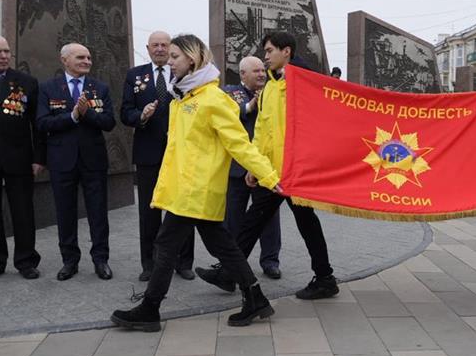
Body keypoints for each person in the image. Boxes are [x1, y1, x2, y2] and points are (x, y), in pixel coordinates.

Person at [111, 34, 281, 332]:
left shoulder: (213, 99)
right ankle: (255, 297)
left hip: (196, 189)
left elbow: (239, 144)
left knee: (166, 243)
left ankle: (150, 308)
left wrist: (268, 175)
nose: (170, 61)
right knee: (222, 245)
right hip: (186, 188)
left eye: (175, 56)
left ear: (191, 59)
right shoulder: (184, 98)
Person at [196, 31, 339, 300]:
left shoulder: (303, 81)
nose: (266, 57)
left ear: (287, 52)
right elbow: (262, 130)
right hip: (273, 172)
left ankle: (324, 278)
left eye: (270, 50)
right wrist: (255, 166)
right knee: (256, 222)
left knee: (302, 223)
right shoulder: (271, 86)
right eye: (265, 52)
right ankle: (231, 273)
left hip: (294, 172)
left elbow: (317, 120)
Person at [120, 31, 196, 281]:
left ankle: (184, 262)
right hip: (148, 153)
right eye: (156, 45)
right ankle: (149, 264)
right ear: (148, 48)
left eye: (165, 45)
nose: (161, 49)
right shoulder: (135, 75)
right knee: (149, 211)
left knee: (183, 208)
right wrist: (141, 116)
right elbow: (125, 112)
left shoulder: (184, 72)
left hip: (181, 152)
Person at [37, 43, 116, 280]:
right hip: (62, 161)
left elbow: (109, 122)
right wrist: (72, 116)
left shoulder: (99, 87)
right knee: (65, 212)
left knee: (98, 213)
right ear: (65, 60)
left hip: (93, 160)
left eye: (89, 57)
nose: (87, 61)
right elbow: (42, 123)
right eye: (81, 57)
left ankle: (101, 260)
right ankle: (69, 261)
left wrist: (87, 113)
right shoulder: (48, 88)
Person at [0, 34, 44, 281]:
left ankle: (26, 260)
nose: (4, 56)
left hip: (19, 158)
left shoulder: (26, 82)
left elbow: (37, 125)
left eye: (6, 51)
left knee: (23, 211)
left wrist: (39, 158)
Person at [223, 56, 282, 279]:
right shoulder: (229, 92)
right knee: (233, 219)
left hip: (264, 167)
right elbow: (226, 115)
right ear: (242, 74)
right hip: (237, 168)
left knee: (269, 217)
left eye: (262, 70)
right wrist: (250, 106)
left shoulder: (272, 92)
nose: (261, 74)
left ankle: (270, 260)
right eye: (256, 71)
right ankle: (232, 265)